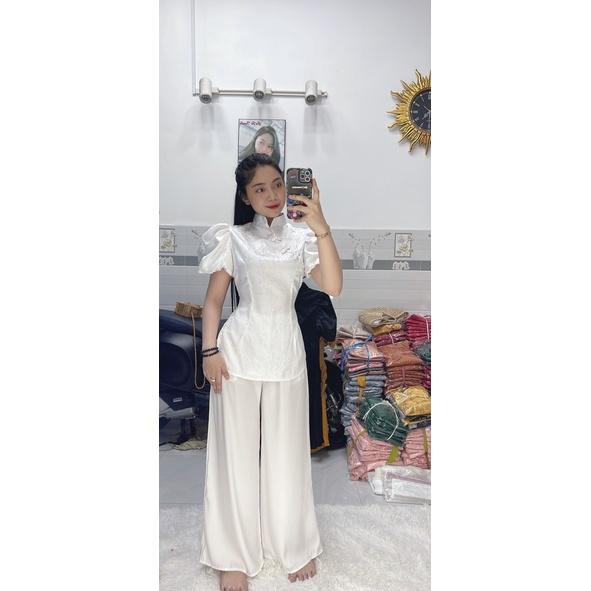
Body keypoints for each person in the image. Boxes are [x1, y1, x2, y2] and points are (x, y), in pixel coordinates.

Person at [197, 153, 343, 591]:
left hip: (285, 355)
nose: (273, 194)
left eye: (278, 184)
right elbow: (213, 302)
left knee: (287, 455)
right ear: (245, 197)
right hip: (237, 357)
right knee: (236, 457)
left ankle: (291, 542)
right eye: (260, 189)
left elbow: (333, 286)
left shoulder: (302, 238)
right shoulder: (233, 238)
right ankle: (232, 555)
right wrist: (209, 350)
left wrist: (320, 223)